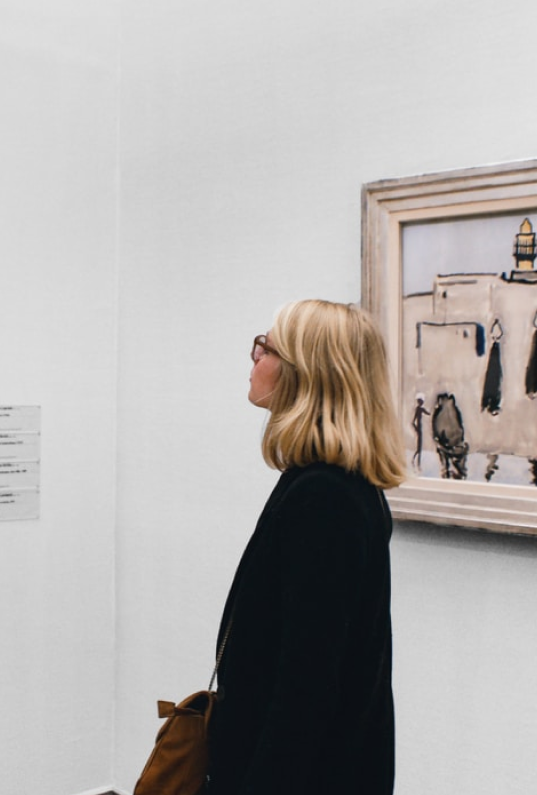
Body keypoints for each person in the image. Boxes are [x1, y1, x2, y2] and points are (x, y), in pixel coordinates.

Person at [207, 300, 405, 795]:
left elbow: (307, 685)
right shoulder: (329, 485)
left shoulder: (326, 498)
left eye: (267, 347)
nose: (255, 357)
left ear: (306, 375)